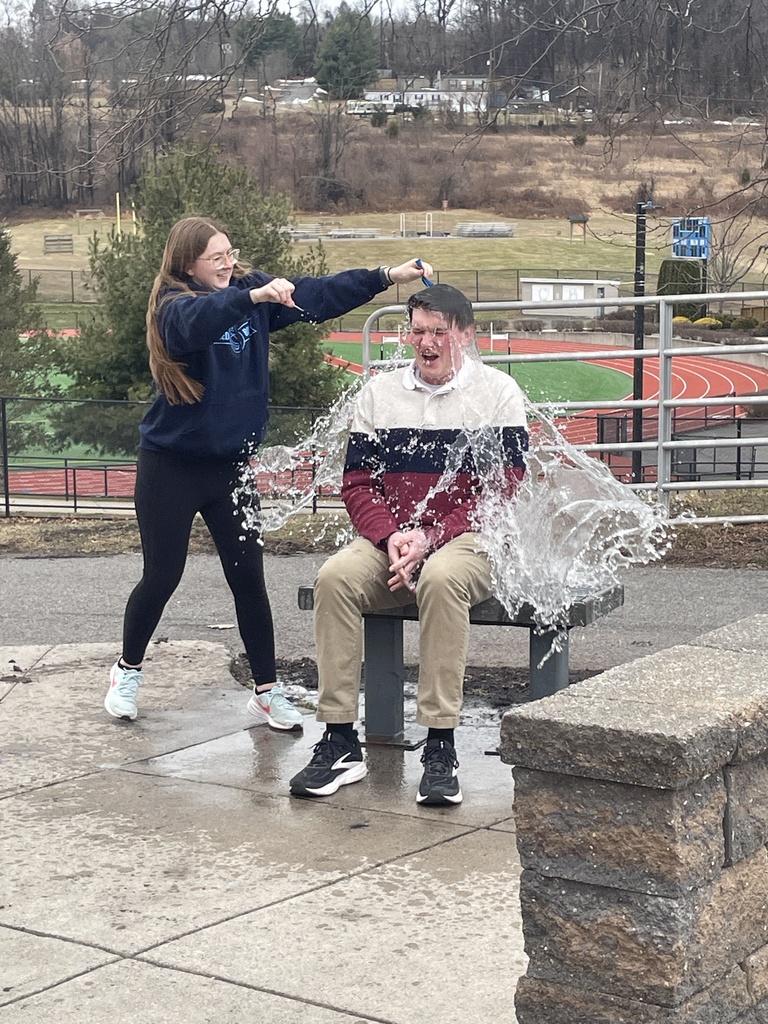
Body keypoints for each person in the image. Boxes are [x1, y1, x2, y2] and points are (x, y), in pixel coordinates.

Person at [104, 214, 433, 726]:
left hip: (231, 468)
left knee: (248, 580)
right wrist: (252, 298)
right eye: (216, 258)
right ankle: (127, 670)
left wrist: (385, 276)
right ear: (188, 264)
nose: (228, 264)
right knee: (162, 575)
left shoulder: (246, 291)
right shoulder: (176, 308)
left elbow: (318, 294)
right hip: (171, 466)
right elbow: (200, 321)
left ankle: (266, 690)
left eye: (230, 253)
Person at [289, 283, 529, 805]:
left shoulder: (498, 394)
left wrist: (432, 537)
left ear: (465, 335)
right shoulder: (380, 393)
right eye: (417, 331)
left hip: (470, 540)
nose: (426, 342)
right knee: (334, 578)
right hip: (393, 540)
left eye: (439, 332)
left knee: (442, 578)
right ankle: (338, 738)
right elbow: (357, 483)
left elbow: (502, 490)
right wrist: (392, 535)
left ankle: (440, 745)